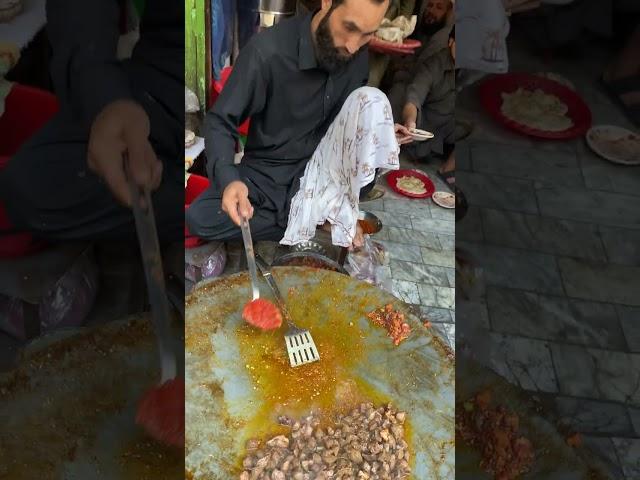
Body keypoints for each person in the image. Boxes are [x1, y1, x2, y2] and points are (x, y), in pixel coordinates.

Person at [186, 0, 414, 249]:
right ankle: (314, 218)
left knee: (371, 104)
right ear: (327, 2)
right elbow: (220, 120)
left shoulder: (357, 55)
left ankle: (313, 214)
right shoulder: (268, 52)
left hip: (322, 172)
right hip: (267, 176)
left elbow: (346, 120)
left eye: (367, 35)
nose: (353, 45)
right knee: (201, 217)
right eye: (349, 27)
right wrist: (230, 180)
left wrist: (377, 133)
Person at [0, 0, 184, 246]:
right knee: (31, 185)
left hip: (233, 111)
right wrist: (104, 98)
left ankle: (205, 209)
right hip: (167, 79)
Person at [390, 26, 455, 188]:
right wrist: (410, 121)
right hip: (423, 125)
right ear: (450, 42)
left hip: (447, 131)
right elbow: (414, 96)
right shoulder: (435, 64)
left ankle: (448, 168)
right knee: (399, 91)